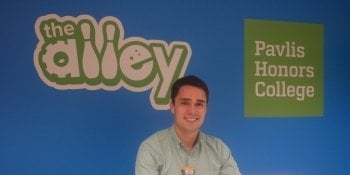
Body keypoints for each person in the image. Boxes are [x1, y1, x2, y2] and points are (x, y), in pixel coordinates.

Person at [135, 75, 241, 175]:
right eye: (185, 103)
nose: (192, 111)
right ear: (172, 106)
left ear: (205, 109)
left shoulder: (219, 149)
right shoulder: (151, 148)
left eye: (199, 104)